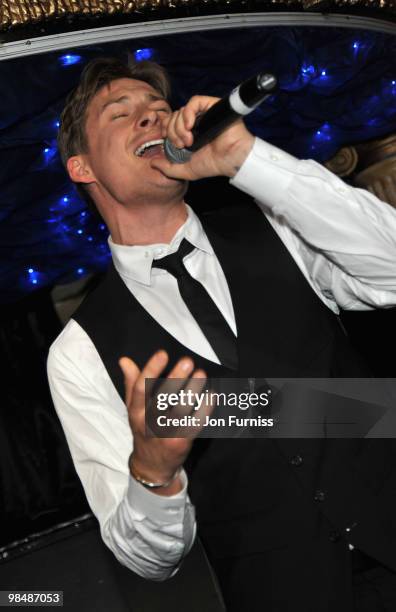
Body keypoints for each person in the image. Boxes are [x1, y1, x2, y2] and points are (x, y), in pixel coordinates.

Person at [47, 56, 396, 611]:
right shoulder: (79, 351)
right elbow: (146, 559)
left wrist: (245, 159)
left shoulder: (277, 224)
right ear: (82, 167)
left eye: (160, 109)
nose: (151, 118)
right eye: (123, 113)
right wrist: (155, 475)